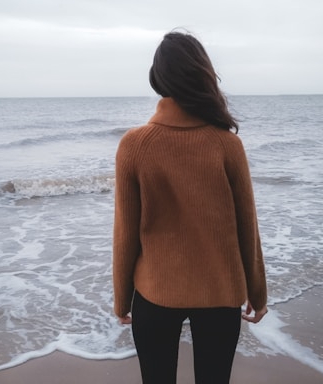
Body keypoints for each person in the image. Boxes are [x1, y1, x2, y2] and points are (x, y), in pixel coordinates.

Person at [113, 31, 268, 384]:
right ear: (203, 76)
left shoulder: (133, 145)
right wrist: (257, 293)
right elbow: (248, 226)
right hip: (220, 293)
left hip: (154, 294)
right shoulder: (226, 144)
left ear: (157, 78)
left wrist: (122, 298)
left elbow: (126, 232)